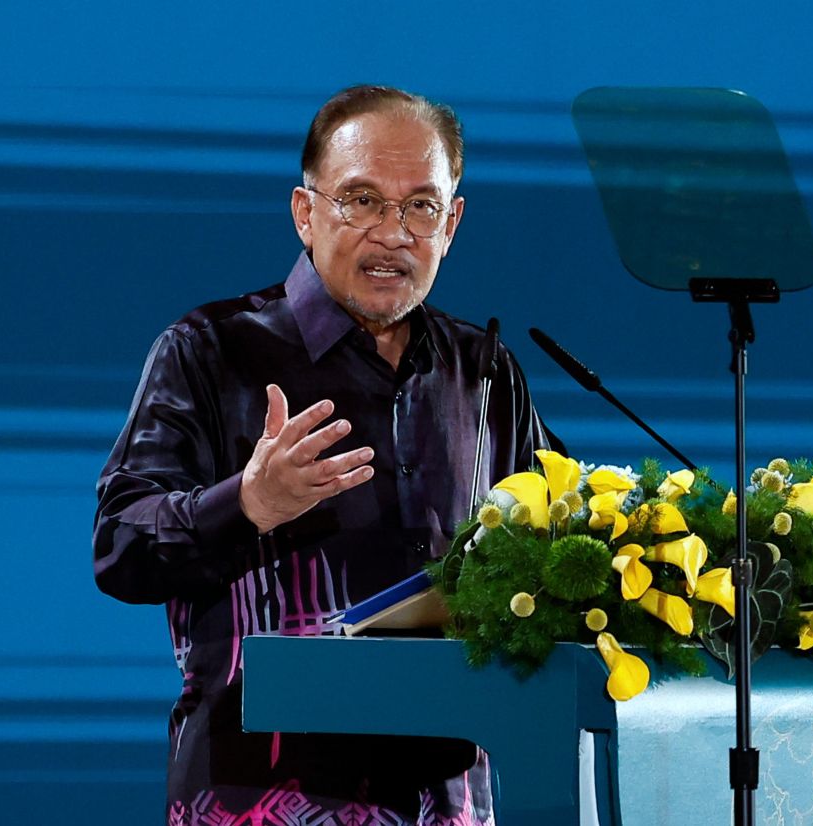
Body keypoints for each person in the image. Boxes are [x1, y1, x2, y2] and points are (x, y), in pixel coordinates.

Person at [93, 85, 559, 825]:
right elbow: (119, 547)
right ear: (305, 212)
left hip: (447, 802)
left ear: (453, 223)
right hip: (260, 795)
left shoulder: (484, 371)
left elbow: (558, 544)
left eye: (420, 206)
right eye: (363, 200)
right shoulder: (211, 351)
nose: (393, 233)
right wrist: (245, 504)